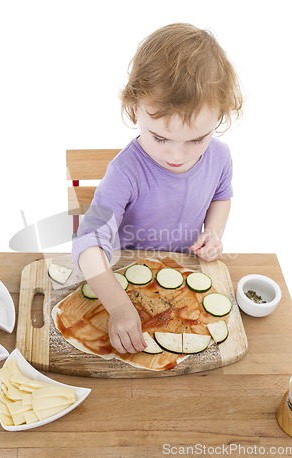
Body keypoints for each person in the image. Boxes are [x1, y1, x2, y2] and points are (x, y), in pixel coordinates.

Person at [72, 23, 243, 355]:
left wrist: (214, 233)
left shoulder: (220, 156)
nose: (177, 156)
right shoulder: (125, 172)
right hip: (127, 276)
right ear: (135, 108)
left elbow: (222, 195)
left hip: (184, 269)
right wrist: (118, 306)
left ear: (218, 119)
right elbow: (87, 241)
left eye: (196, 139)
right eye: (161, 138)